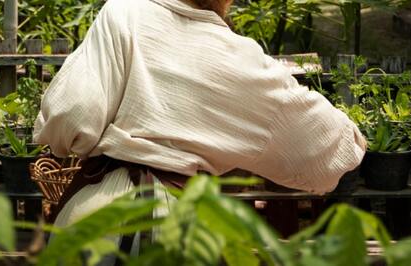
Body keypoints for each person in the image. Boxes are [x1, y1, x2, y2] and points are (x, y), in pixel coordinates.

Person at [33, 0, 367, 231]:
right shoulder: (241, 57)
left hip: (90, 220)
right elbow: (333, 152)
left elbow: (69, 114)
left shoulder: (123, 11)